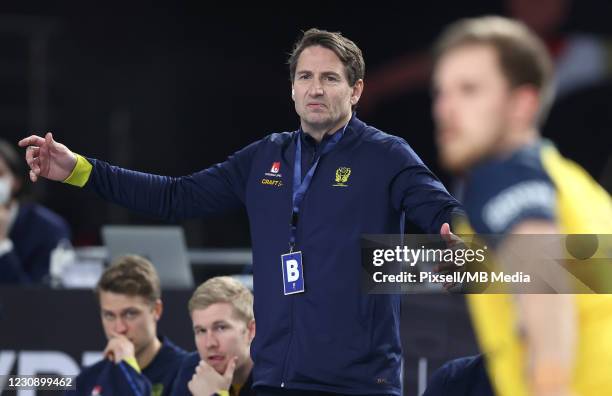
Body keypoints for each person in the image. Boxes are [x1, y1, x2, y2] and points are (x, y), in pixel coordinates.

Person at [20, 28, 463, 395]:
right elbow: (177, 196)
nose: (315, 88)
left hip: (358, 384)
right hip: (274, 381)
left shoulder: (386, 156)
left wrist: (460, 239)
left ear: (356, 89)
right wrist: (80, 170)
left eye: (330, 78)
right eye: (305, 76)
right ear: (291, 88)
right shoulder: (266, 157)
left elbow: (440, 210)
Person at [430, 16, 612, 395]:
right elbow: (568, 270)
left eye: (469, 90)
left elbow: (546, 291)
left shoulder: (505, 171)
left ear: (522, 104)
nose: (445, 109)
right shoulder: (571, 183)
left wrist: (550, 382)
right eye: (440, 92)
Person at [66, 255, 187, 396]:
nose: (119, 328)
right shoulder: (87, 380)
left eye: (130, 314)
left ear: (156, 310)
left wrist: (128, 371)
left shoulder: (187, 372)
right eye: (109, 315)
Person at [0, 138, 71, 284]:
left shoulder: (48, 229)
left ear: (16, 182)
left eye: (0, 173)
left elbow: (36, 300)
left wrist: (2, 244)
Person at [171, 276, 255, 396]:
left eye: (221, 328)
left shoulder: (276, 377)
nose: (209, 343)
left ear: (251, 330)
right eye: (201, 331)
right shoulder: (192, 369)